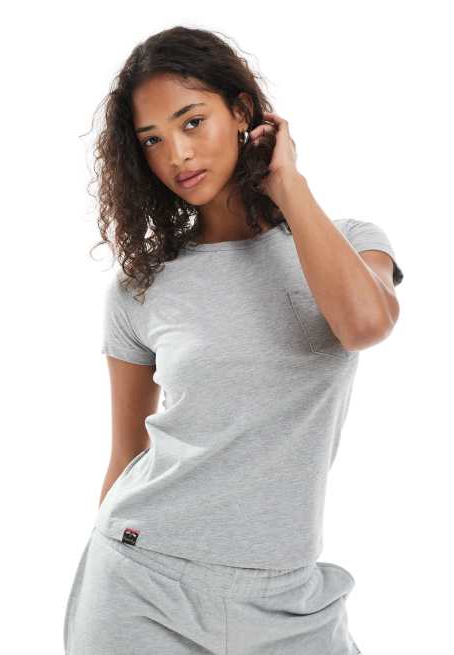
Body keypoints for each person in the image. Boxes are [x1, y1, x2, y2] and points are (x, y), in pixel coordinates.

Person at [63, 25, 403, 655]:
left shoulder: (352, 241)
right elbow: (128, 450)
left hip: (291, 600)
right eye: (152, 139)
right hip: (142, 583)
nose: (177, 155)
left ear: (242, 112)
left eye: (192, 122)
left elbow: (364, 326)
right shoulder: (140, 288)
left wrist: (287, 184)